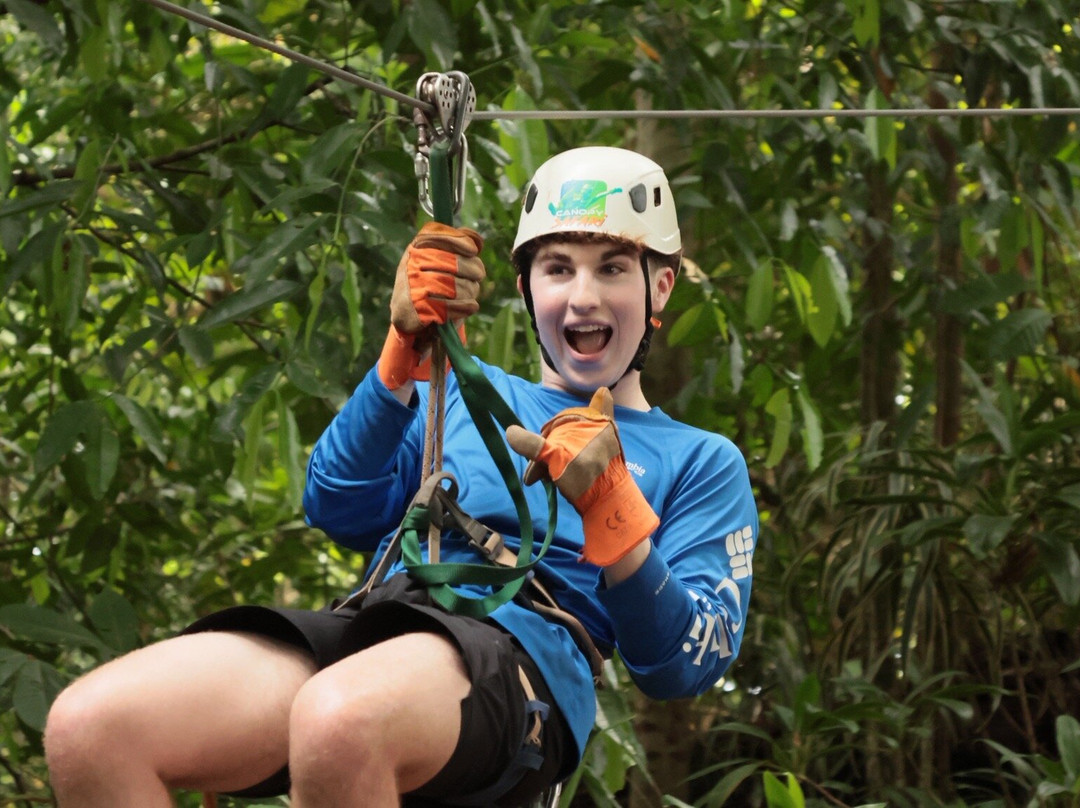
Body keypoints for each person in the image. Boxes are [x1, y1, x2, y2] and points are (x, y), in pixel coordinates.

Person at [43, 146, 758, 807]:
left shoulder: (699, 460)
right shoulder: (457, 393)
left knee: (339, 721)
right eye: (558, 267)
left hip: (522, 661)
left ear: (660, 287)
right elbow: (337, 504)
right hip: (380, 623)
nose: (583, 297)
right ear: (525, 285)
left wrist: (614, 511)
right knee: (94, 729)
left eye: (612, 268)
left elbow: (679, 666)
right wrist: (400, 358)